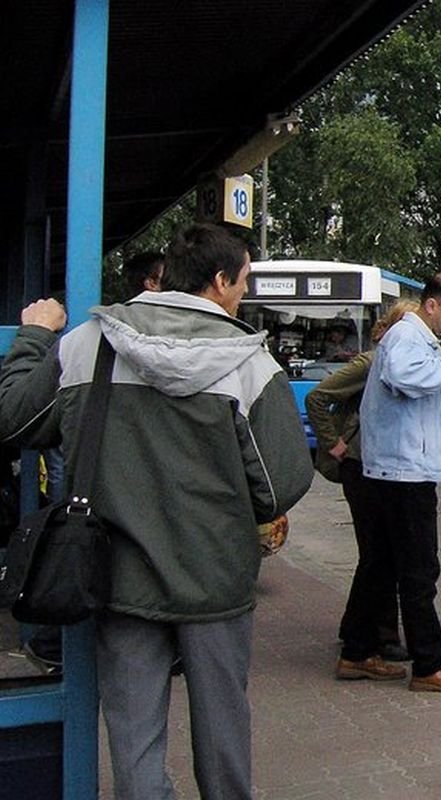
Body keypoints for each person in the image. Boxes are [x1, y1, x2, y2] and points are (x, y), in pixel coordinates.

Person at [0, 223, 313, 799]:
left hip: (118, 576)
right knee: (223, 729)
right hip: (215, 581)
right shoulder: (248, 361)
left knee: (133, 736)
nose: (244, 292)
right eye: (244, 280)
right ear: (221, 282)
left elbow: (15, 419)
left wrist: (32, 336)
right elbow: (281, 483)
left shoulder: (85, 343)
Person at [357, 272, 441, 693]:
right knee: (418, 570)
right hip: (405, 471)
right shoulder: (408, 340)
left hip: (395, 468)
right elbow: (406, 377)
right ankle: (429, 663)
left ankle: (357, 649)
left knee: (382, 566)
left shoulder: (410, 338)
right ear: (431, 305)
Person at [306, 301, 417, 680]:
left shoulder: (397, 362)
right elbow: (317, 397)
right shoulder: (371, 362)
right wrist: (334, 443)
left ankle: (363, 631)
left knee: (380, 553)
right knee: (377, 554)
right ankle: (371, 638)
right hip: (361, 465)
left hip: (378, 464)